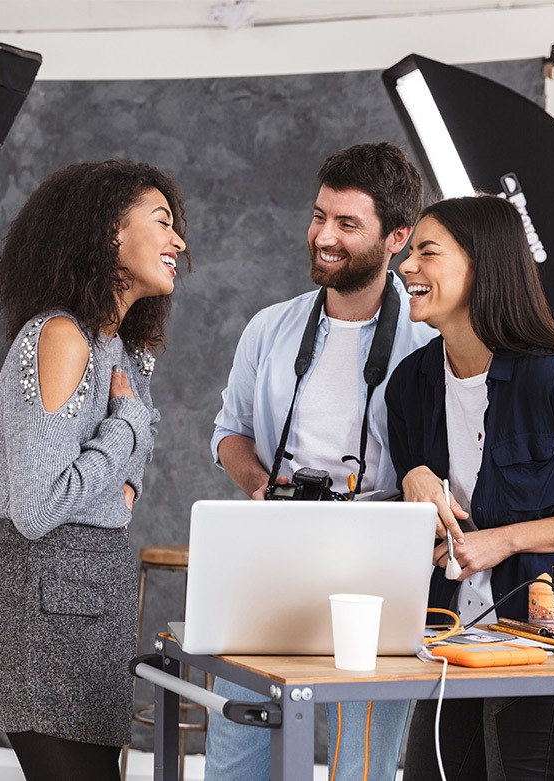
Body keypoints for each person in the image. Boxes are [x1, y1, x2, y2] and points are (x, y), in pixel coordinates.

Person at [385, 194, 554, 780]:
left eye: (427, 252)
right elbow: (414, 482)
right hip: (450, 639)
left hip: (548, 641)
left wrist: (504, 540)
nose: (406, 266)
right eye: (410, 254)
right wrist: (412, 473)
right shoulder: (409, 384)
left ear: (482, 266)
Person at [207, 142, 435, 780]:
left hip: (383, 562)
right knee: (237, 755)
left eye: (346, 224)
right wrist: (258, 485)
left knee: (362, 765)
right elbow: (231, 432)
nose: (323, 237)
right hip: (274, 550)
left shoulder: (428, 339)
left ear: (397, 238)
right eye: (318, 217)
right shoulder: (269, 328)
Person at [0, 159, 188, 781]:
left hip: (97, 610)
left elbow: (128, 478)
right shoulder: (61, 336)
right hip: (44, 617)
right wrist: (121, 427)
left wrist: (121, 473)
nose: (178, 241)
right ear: (108, 234)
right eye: (162, 222)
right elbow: (38, 509)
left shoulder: (121, 347)